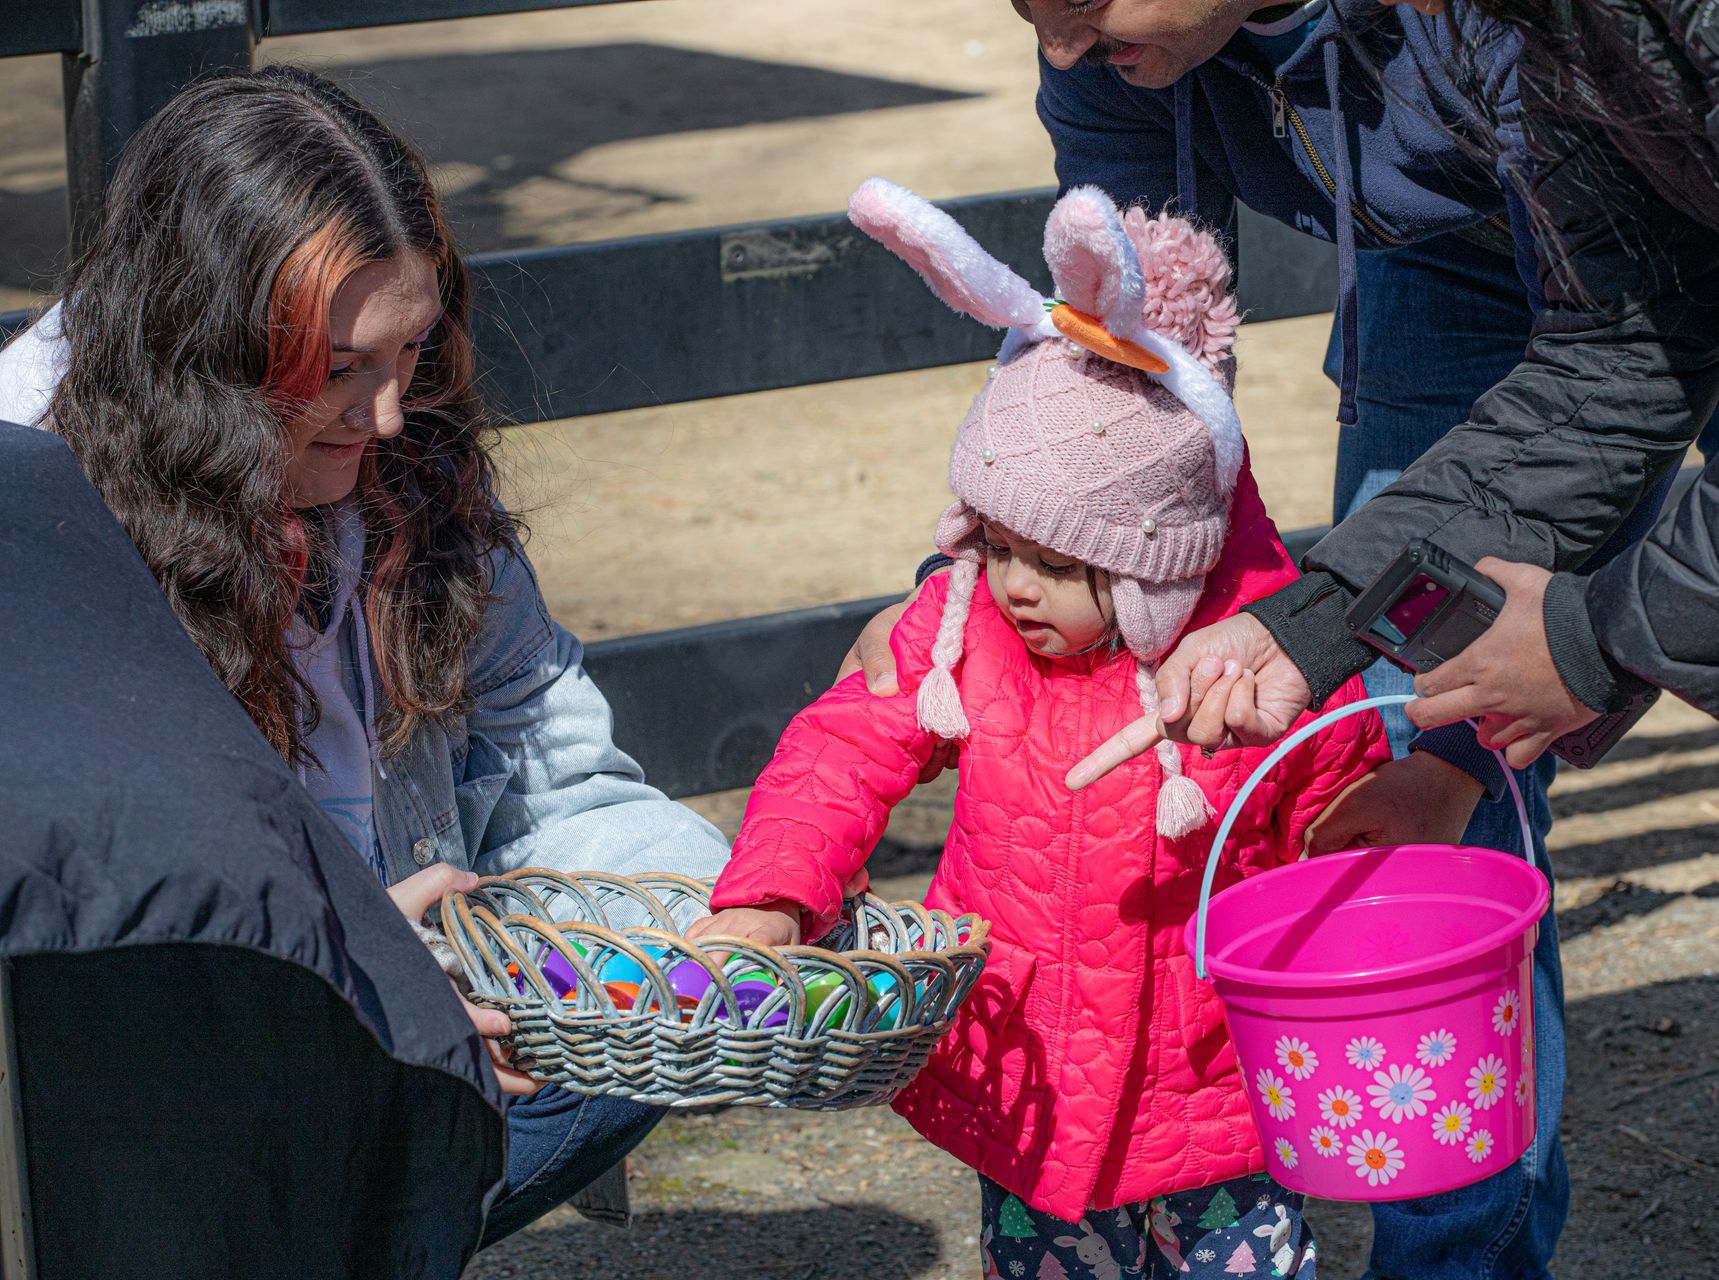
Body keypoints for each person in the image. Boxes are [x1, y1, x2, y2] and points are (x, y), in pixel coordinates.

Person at [1054, 0, 1719, 1272]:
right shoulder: (1521, 34)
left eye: (1082, 0)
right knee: (1421, 767)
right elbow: (1618, 348)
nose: (1061, 41)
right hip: (1614, 271)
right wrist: (1305, 626)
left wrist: (1602, 637)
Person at [0, 65, 729, 1246]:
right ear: (207, 346)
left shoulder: (414, 465)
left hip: (385, 1013)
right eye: (339, 368)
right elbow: (92, 975)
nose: (388, 413)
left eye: (416, 353)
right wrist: (361, 959)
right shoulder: (41, 520)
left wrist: (733, 916)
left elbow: (549, 754)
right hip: (185, 1074)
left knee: (638, 1032)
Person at [698, 180, 1388, 1277]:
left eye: (1060, 565)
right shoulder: (966, 623)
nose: (1015, 584)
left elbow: (1346, 813)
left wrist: (1364, 965)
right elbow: (843, 749)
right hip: (1029, 1084)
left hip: (1209, 1087)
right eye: (998, 541)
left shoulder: (1252, 667)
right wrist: (773, 893)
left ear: (1160, 564)